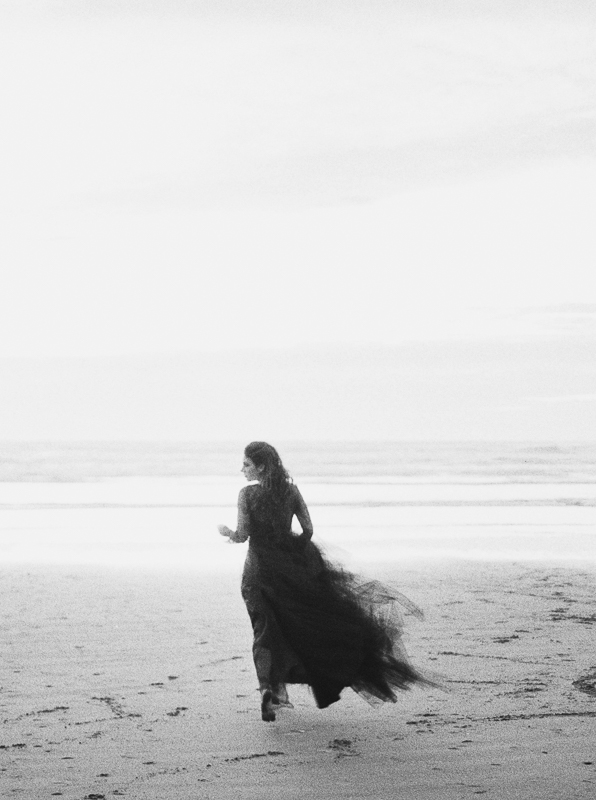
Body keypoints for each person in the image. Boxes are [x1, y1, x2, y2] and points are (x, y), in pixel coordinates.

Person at [218, 441, 431, 722]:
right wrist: (292, 553)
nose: (241, 469)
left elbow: (244, 534)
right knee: (291, 628)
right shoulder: (291, 491)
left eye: (246, 464)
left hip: (257, 572)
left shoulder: (246, 495)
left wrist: (228, 533)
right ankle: (279, 692)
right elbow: (308, 530)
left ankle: (269, 689)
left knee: (263, 629)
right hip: (287, 571)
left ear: (261, 466)